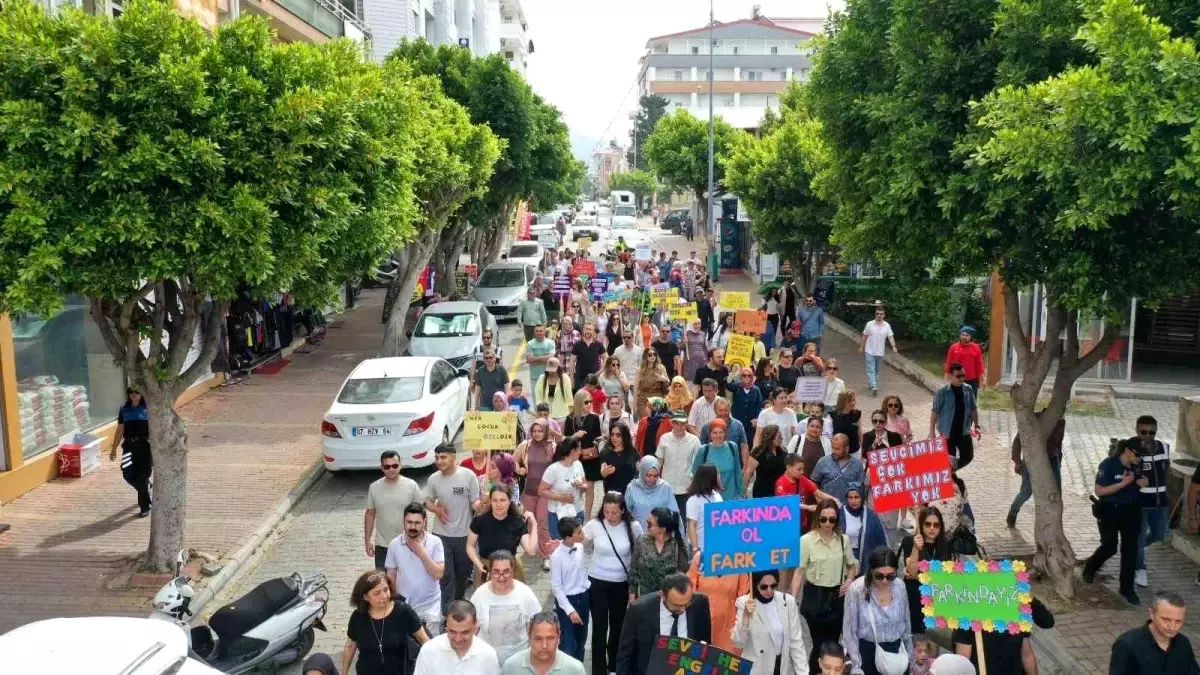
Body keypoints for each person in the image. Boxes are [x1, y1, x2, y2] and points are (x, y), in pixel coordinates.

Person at [791, 500, 858, 672]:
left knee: (833, 644)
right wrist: (791, 600)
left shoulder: (844, 540)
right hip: (815, 597)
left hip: (836, 599)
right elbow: (799, 571)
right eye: (823, 519)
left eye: (832, 520)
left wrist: (849, 580)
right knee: (819, 645)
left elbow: (852, 565)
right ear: (817, 518)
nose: (827, 524)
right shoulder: (806, 541)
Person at [584, 492, 643, 675]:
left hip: (621, 583)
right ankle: (599, 669)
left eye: (614, 512)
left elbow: (639, 553)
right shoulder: (594, 525)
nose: (610, 516)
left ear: (623, 511)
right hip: (597, 582)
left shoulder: (633, 526)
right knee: (599, 627)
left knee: (618, 626)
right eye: (606, 511)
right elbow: (581, 545)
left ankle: (615, 666)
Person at [1083, 437, 1146, 605]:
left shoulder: (1137, 464)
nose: (1140, 458)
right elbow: (1100, 491)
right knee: (1109, 546)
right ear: (1127, 451)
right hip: (1110, 510)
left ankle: (1126, 588)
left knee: (1130, 550)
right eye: (1138, 454)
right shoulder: (1108, 465)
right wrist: (1123, 484)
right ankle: (1090, 567)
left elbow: (1143, 479)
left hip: (1131, 511)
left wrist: (1144, 482)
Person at [616, 573, 713, 675]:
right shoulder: (638, 610)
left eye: (686, 604)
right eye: (676, 605)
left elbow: (706, 646)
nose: (683, 609)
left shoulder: (700, 603)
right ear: (662, 595)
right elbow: (625, 656)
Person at [423, 444, 481, 612]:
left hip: (464, 535)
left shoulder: (468, 476)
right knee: (446, 575)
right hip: (441, 535)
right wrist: (436, 510)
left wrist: (483, 505)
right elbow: (427, 501)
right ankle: (447, 612)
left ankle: (458, 605)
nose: (439, 461)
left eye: (443, 457)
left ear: (453, 457)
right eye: (437, 458)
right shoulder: (434, 478)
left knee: (462, 575)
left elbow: (475, 502)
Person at [842, 547, 913, 675]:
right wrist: (856, 665)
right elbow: (849, 631)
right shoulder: (856, 590)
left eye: (890, 576)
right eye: (879, 576)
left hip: (896, 652)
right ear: (871, 570)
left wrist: (909, 655)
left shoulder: (899, 586)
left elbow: (906, 622)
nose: (885, 581)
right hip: (867, 652)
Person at [342, 571, 430, 675]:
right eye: (377, 593)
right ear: (365, 597)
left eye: (386, 589)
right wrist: (344, 672)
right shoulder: (358, 617)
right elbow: (350, 645)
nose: (384, 596)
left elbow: (423, 639)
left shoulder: (403, 611)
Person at [731, 568, 812, 675]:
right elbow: (738, 642)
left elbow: (796, 642)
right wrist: (746, 616)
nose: (769, 591)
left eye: (773, 586)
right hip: (757, 669)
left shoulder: (788, 602)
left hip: (782, 667)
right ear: (755, 584)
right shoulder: (744, 602)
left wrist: (803, 672)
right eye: (764, 587)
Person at [470, 550, 544, 665]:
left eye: (506, 572)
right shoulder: (479, 595)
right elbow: (471, 628)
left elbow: (537, 626)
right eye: (496, 572)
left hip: (519, 663)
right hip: (488, 662)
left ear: (513, 571)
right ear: (490, 571)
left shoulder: (525, 593)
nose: (501, 577)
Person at [385, 503, 446, 637]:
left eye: (417, 523)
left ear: (424, 522)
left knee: (430, 647)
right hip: (404, 606)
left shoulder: (435, 542)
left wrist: (422, 553)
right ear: (403, 521)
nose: (412, 527)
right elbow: (391, 576)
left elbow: (438, 574)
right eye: (409, 522)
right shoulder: (394, 544)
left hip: (430, 606)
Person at [953, 596, 1054, 675]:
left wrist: (1028, 597)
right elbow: (963, 663)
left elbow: (1026, 654)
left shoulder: (1018, 611)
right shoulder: (969, 618)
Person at [1109, 591, 1198, 674]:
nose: (1172, 627)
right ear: (1151, 614)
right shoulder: (1127, 645)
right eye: (1166, 620)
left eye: (1178, 621)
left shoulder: (1183, 643)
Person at [363, 450, 424, 570]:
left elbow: (422, 515)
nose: (391, 469)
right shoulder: (374, 487)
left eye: (395, 466)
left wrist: (422, 540)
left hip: (408, 543)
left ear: (400, 465)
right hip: (383, 545)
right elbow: (370, 514)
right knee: (384, 584)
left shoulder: (411, 486)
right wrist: (367, 540)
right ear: (382, 468)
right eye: (387, 466)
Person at [467, 485, 538, 584]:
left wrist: (534, 525)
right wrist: (479, 564)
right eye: (495, 500)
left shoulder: (517, 522)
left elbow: (531, 551)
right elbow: (470, 545)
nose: (498, 504)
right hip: (486, 568)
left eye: (502, 500)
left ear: (509, 501)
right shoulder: (480, 520)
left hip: (510, 569)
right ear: (490, 501)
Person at [897, 506, 952, 635]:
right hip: (914, 598)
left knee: (933, 641)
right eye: (927, 524)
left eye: (936, 525)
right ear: (921, 524)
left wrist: (920, 577)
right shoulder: (910, 541)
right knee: (916, 638)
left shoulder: (945, 545)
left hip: (934, 599)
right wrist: (916, 548)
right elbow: (911, 572)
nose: (932, 528)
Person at [1006, 412, 1067, 528]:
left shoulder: (1061, 421)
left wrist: (1059, 462)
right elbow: (1018, 439)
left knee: (1057, 491)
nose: (1062, 411)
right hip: (1033, 457)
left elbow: (1058, 443)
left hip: (1052, 458)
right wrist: (1017, 461)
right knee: (1026, 491)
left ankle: (1052, 521)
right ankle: (1013, 511)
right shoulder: (1036, 418)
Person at [413, 600, 501, 675]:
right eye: (452, 632)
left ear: (475, 626)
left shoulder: (488, 655)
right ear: (446, 624)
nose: (458, 639)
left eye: (465, 632)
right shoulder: (428, 651)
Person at [514, 419, 557, 570]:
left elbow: (560, 465)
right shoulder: (525, 445)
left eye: (540, 431)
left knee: (543, 524)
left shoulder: (553, 446)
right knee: (529, 523)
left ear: (546, 431)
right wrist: (519, 469)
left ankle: (546, 556)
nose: (537, 434)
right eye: (534, 431)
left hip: (546, 493)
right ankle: (534, 547)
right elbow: (512, 461)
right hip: (529, 491)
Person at [1135, 415, 1172, 589]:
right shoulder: (1131, 450)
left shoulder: (1165, 448)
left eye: (1152, 432)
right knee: (1139, 537)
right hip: (1140, 504)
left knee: (1160, 534)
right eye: (1144, 432)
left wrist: (1170, 496)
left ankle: (1138, 548)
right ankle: (1139, 568)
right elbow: (1122, 471)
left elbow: (1168, 473)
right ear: (1137, 431)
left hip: (1161, 502)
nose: (1148, 435)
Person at [550, 517, 591, 662]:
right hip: (568, 601)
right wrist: (570, 610)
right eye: (579, 532)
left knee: (582, 639)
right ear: (568, 537)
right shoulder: (556, 557)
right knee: (568, 643)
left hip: (584, 597)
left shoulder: (580, 546)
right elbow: (556, 587)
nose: (583, 533)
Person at [110, 386, 153, 517]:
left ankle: (145, 506)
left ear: (141, 394)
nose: (134, 395)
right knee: (127, 474)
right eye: (131, 393)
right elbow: (119, 431)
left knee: (142, 476)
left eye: (137, 392)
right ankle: (146, 487)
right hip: (128, 446)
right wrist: (114, 449)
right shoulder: (124, 411)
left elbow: (154, 430)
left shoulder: (148, 409)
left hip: (144, 446)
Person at [629, 507, 691, 597]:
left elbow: (682, 574)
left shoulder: (677, 545)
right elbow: (634, 570)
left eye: (650, 524)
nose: (647, 527)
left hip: (669, 599)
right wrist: (632, 596)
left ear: (662, 529)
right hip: (645, 599)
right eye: (647, 523)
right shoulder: (642, 541)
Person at [929, 363, 980, 470]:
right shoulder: (942, 392)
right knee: (949, 459)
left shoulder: (968, 389)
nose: (961, 379)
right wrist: (932, 431)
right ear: (950, 376)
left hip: (964, 431)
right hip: (948, 433)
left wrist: (977, 426)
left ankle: (950, 471)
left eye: (963, 375)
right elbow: (934, 412)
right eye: (958, 376)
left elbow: (973, 409)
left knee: (968, 456)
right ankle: (949, 475)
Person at [503, 612, 587, 675]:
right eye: (538, 639)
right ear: (529, 638)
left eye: (550, 638)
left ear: (559, 638)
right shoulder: (510, 667)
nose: (544, 646)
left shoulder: (575, 670)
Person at [564, 390, 603, 517]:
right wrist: (575, 436)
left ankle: (587, 516)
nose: (589, 404)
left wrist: (597, 443)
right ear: (579, 402)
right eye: (586, 402)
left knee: (590, 486)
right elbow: (565, 439)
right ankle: (576, 512)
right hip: (575, 456)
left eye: (591, 402)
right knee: (576, 485)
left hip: (590, 456)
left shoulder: (594, 417)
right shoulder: (570, 418)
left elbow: (598, 436)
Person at [541, 440, 587, 541]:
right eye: (578, 449)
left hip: (577, 511)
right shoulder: (553, 469)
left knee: (576, 543)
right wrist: (561, 498)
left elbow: (585, 485)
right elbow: (541, 490)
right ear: (572, 451)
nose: (580, 452)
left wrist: (582, 486)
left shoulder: (578, 464)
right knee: (559, 544)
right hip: (558, 514)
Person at [657, 411, 701, 514]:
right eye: (676, 423)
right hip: (667, 487)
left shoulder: (694, 440)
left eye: (682, 424)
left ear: (686, 424)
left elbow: (699, 465)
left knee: (685, 520)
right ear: (672, 423)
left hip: (687, 487)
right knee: (668, 520)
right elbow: (659, 462)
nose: (679, 427)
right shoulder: (664, 438)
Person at [841, 484, 889, 575]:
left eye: (857, 497)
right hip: (844, 556)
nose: (853, 501)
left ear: (862, 497)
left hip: (865, 556)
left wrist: (884, 561)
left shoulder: (871, 516)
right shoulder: (840, 513)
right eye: (850, 497)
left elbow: (881, 541)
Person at [693, 419, 745, 501]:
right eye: (715, 432)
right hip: (710, 497)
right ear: (710, 434)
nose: (718, 435)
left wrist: (741, 493)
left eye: (721, 432)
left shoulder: (732, 447)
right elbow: (695, 473)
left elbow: (737, 472)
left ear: (725, 433)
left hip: (731, 496)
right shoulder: (704, 450)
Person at [624, 456, 680, 531]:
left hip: (660, 535)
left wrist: (680, 538)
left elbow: (675, 513)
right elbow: (626, 512)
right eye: (648, 475)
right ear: (643, 472)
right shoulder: (632, 488)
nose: (652, 479)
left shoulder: (665, 487)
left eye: (655, 476)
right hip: (639, 534)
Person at [811, 434, 866, 505]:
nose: (833, 451)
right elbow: (813, 482)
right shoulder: (823, 462)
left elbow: (860, 488)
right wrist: (819, 500)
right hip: (827, 509)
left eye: (837, 449)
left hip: (848, 509)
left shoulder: (857, 465)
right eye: (832, 448)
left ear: (846, 449)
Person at [859, 304, 898, 396]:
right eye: (877, 314)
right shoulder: (869, 324)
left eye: (881, 314)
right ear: (875, 314)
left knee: (876, 371)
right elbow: (864, 336)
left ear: (884, 315)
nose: (879, 315)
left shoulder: (887, 326)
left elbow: (890, 336)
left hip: (880, 352)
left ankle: (871, 384)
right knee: (871, 369)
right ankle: (874, 387)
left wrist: (894, 346)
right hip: (869, 351)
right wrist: (861, 347)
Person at [746, 424, 789, 499]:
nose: (782, 439)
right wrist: (743, 491)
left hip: (780, 492)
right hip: (762, 493)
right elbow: (749, 472)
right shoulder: (758, 452)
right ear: (771, 438)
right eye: (779, 437)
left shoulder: (783, 451)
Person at [599, 422, 639, 495]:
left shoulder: (632, 451)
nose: (614, 437)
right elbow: (602, 472)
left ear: (624, 436)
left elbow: (639, 470)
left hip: (630, 492)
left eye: (618, 435)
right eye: (612, 434)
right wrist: (605, 472)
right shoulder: (605, 452)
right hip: (612, 494)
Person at [944, 326, 984, 392]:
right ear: (960, 335)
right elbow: (949, 361)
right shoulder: (953, 347)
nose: (964, 337)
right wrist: (947, 374)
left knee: (971, 400)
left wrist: (982, 378)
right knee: (957, 400)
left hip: (972, 380)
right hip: (957, 378)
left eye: (967, 335)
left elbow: (979, 363)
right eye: (962, 335)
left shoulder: (976, 348)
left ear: (970, 336)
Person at [570, 323, 606, 395]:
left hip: (594, 378)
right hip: (580, 378)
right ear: (583, 330)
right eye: (586, 329)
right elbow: (572, 361)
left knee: (594, 401)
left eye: (590, 329)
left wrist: (601, 371)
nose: (588, 331)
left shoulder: (598, 344)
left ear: (593, 331)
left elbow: (606, 358)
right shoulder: (577, 344)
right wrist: (571, 378)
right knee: (581, 400)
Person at [635, 348, 670, 417]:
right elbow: (636, 387)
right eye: (650, 355)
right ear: (646, 356)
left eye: (654, 354)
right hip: (643, 397)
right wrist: (634, 403)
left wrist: (663, 379)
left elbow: (668, 382)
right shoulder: (640, 369)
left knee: (657, 421)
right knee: (644, 421)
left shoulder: (661, 367)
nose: (652, 356)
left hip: (657, 396)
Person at [526, 325, 557, 401]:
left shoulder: (551, 343)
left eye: (540, 331)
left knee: (550, 399)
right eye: (537, 331)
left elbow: (551, 359)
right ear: (534, 332)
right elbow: (530, 361)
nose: (538, 333)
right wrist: (545, 358)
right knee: (537, 400)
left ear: (544, 332)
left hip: (549, 376)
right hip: (534, 377)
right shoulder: (530, 344)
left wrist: (535, 359)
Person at [831, 390, 862, 457]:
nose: (853, 402)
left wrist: (861, 449)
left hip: (855, 452)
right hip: (838, 452)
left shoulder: (857, 414)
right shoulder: (832, 415)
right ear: (842, 402)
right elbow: (829, 434)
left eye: (854, 400)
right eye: (850, 401)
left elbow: (859, 432)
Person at [682, 319, 709, 384]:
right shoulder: (686, 333)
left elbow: (705, 348)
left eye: (699, 323)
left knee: (700, 380)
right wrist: (683, 342)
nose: (697, 326)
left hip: (701, 361)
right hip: (690, 361)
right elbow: (680, 347)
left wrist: (706, 359)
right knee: (689, 381)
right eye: (695, 324)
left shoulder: (703, 334)